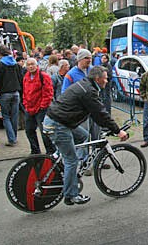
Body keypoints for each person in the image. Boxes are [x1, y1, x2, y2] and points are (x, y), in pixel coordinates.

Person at [43, 66, 128, 206]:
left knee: (83, 136)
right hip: (58, 124)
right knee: (71, 160)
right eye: (105, 78)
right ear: (97, 78)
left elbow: (97, 115)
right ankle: (71, 195)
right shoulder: (89, 91)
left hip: (59, 120)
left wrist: (110, 126)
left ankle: (61, 157)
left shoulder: (86, 85)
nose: (107, 81)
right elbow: (100, 113)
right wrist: (118, 131)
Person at [23, 58, 55, 154]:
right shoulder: (26, 77)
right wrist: (25, 104)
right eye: (28, 65)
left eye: (32, 64)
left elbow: (48, 93)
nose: (31, 66)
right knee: (29, 130)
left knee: (44, 132)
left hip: (41, 109)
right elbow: (25, 92)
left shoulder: (43, 76)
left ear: (37, 65)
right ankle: (35, 151)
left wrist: (43, 106)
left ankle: (50, 151)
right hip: (29, 108)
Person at [0, 45, 23, 147]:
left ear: (0, 53)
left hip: (4, 93)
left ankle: (11, 139)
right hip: (16, 92)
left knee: (6, 116)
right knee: (14, 116)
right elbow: (21, 79)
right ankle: (14, 137)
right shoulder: (16, 64)